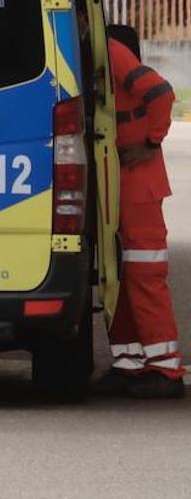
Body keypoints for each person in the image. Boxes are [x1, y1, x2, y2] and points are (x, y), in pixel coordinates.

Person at [95, 31, 184, 398]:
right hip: (121, 183)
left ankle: (165, 370)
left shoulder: (111, 51)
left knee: (144, 274)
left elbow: (161, 92)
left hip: (138, 185)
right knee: (119, 275)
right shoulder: (96, 51)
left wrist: (150, 142)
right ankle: (130, 363)